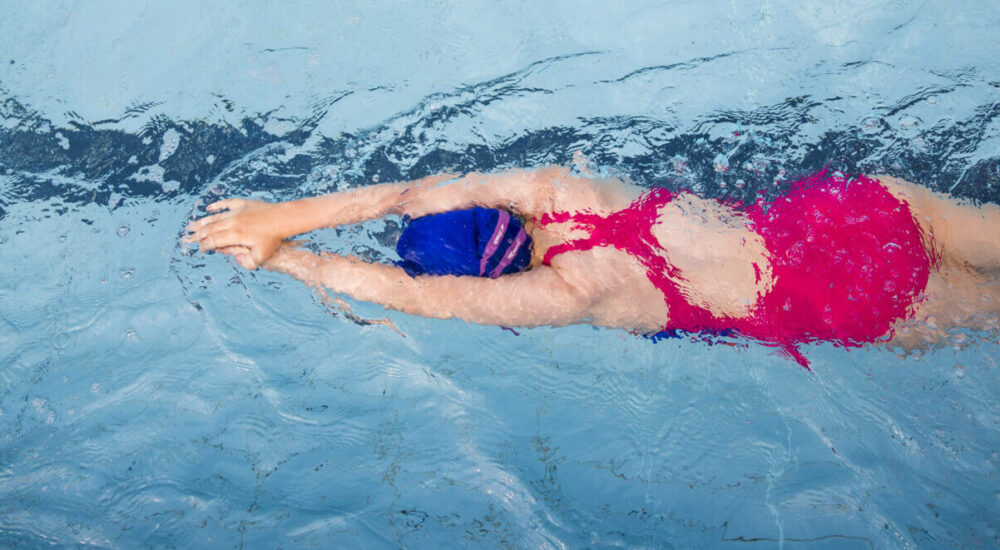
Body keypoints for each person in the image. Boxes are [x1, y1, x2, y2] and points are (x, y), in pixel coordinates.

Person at [183, 165, 1000, 368]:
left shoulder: (568, 291)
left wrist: (288, 261)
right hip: (849, 217)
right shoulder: (552, 191)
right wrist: (280, 215)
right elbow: (406, 195)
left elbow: (398, 292)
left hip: (851, 298)